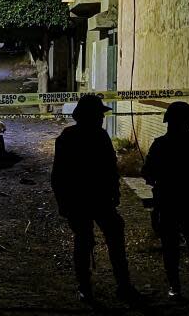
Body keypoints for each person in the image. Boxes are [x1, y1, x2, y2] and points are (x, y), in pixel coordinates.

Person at [51, 94, 140, 303]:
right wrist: (64, 202)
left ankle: (99, 287)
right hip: (86, 200)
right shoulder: (80, 137)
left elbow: (110, 169)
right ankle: (109, 286)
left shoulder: (85, 136)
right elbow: (60, 175)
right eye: (98, 115)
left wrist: (114, 192)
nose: (101, 118)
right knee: (91, 241)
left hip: (90, 200)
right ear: (89, 116)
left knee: (92, 240)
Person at [142, 101, 189, 301]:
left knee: (171, 247)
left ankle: (176, 286)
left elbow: (147, 172)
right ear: (188, 122)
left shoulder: (160, 144)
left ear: (168, 122)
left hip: (167, 203)